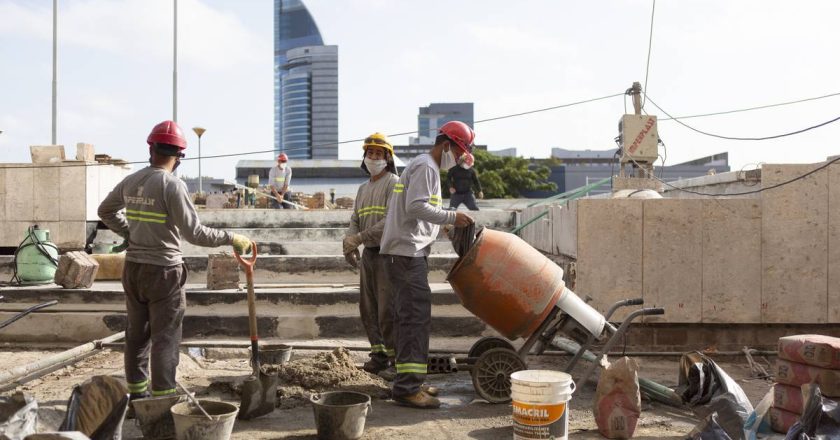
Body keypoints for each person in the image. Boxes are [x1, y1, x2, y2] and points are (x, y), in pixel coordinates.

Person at [98, 120, 252, 400]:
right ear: (180, 156)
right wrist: (232, 237)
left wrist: (129, 232)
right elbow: (195, 233)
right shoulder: (172, 185)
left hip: (133, 270)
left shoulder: (132, 180)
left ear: (151, 148)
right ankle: (164, 401)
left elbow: (105, 210)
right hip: (164, 272)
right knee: (165, 338)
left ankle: (137, 397)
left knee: (136, 335)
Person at [380, 121, 476, 409]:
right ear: (446, 144)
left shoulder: (425, 167)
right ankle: (408, 388)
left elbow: (420, 210)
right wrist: (451, 217)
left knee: (410, 318)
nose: (458, 159)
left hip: (408, 252)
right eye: (459, 152)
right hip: (407, 254)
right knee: (414, 319)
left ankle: (411, 381)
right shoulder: (426, 167)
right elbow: (416, 206)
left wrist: (441, 227)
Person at [342, 132, 400, 377]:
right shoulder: (362, 188)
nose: (373, 157)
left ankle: (396, 359)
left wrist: (359, 238)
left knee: (388, 310)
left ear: (388, 158)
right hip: (369, 255)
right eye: (370, 153)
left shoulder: (394, 183)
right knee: (368, 308)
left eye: (379, 153)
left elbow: (390, 221)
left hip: (389, 255)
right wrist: (349, 241)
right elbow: (355, 218)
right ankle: (379, 356)